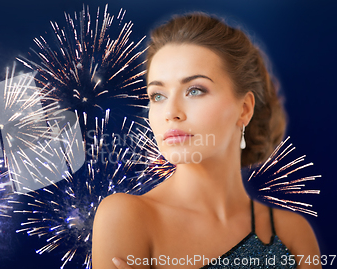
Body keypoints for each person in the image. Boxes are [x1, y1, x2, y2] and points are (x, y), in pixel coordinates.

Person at [92, 12, 320, 269]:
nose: (171, 112)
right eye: (157, 95)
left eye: (195, 90)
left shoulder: (291, 235)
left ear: (244, 108)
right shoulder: (127, 217)